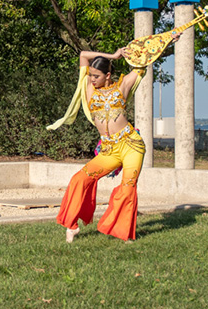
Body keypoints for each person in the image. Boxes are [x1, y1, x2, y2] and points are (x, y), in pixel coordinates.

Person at [47, 46, 149, 243]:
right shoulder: (89, 89)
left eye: (96, 76)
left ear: (108, 75)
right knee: (80, 179)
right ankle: (72, 225)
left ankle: (124, 233)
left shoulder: (123, 86)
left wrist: (169, 40)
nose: (92, 78)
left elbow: (143, 63)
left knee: (127, 188)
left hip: (131, 146)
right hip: (109, 150)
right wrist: (113, 55)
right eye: (91, 75)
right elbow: (83, 55)